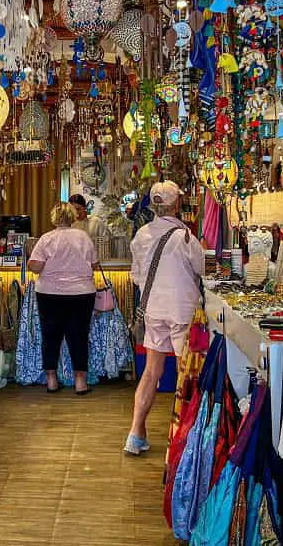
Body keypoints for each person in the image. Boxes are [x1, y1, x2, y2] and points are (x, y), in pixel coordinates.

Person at [124, 180, 205, 455]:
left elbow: (136, 277)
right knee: (185, 371)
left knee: (151, 370)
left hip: (153, 309)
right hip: (182, 309)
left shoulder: (141, 236)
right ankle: (184, 437)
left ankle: (135, 433)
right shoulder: (186, 237)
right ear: (176, 204)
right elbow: (201, 269)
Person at [27, 202, 100, 395]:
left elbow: (35, 266)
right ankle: (80, 382)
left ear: (53, 218)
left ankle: (52, 380)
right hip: (81, 293)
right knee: (79, 336)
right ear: (73, 217)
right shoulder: (83, 237)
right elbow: (94, 264)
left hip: (50, 293)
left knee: (50, 336)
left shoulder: (46, 239)